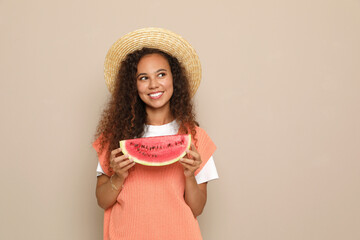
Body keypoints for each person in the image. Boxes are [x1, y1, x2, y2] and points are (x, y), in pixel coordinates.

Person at [93, 28, 218, 240]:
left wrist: (189, 176)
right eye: (143, 78)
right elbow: (102, 201)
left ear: (174, 79)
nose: (154, 85)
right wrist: (119, 175)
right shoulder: (115, 137)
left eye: (161, 74)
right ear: (133, 86)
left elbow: (197, 209)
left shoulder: (196, 138)